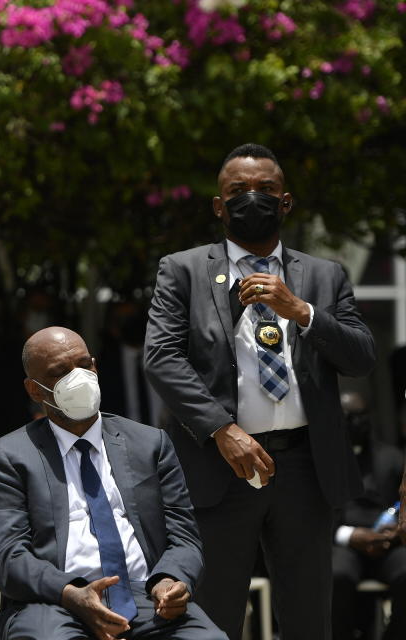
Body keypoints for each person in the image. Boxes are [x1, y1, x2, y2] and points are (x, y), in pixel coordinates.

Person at [144, 143, 376, 639]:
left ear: (286, 202)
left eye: (266, 190)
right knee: (213, 617)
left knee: (309, 617)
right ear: (218, 205)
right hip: (219, 468)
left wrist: (302, 311)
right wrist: (221, 429)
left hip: (304, 469)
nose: (253, 199)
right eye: (238, 191)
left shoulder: (324, 274)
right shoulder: (182, 270)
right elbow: (162, 357)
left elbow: (360, 357)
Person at [0, 326, 225, 640]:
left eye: (84, 364)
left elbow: (185, 538)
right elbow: (7, 558)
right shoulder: (7, 457)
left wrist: (171, 580)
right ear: (35, 390)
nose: (78, 377)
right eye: (60, 372)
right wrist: (70, 592)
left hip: (147, 597)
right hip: (54, 603)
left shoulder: (150, 444)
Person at [332, 392, 405, 640]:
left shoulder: (392, 458)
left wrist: (396, 531)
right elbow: (312, 513)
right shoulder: (323, 461)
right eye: (348, 416)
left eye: (361, 416)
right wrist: (350, 535)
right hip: (343, 542)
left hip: (388, 542)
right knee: (336, 574)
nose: (356, 422)